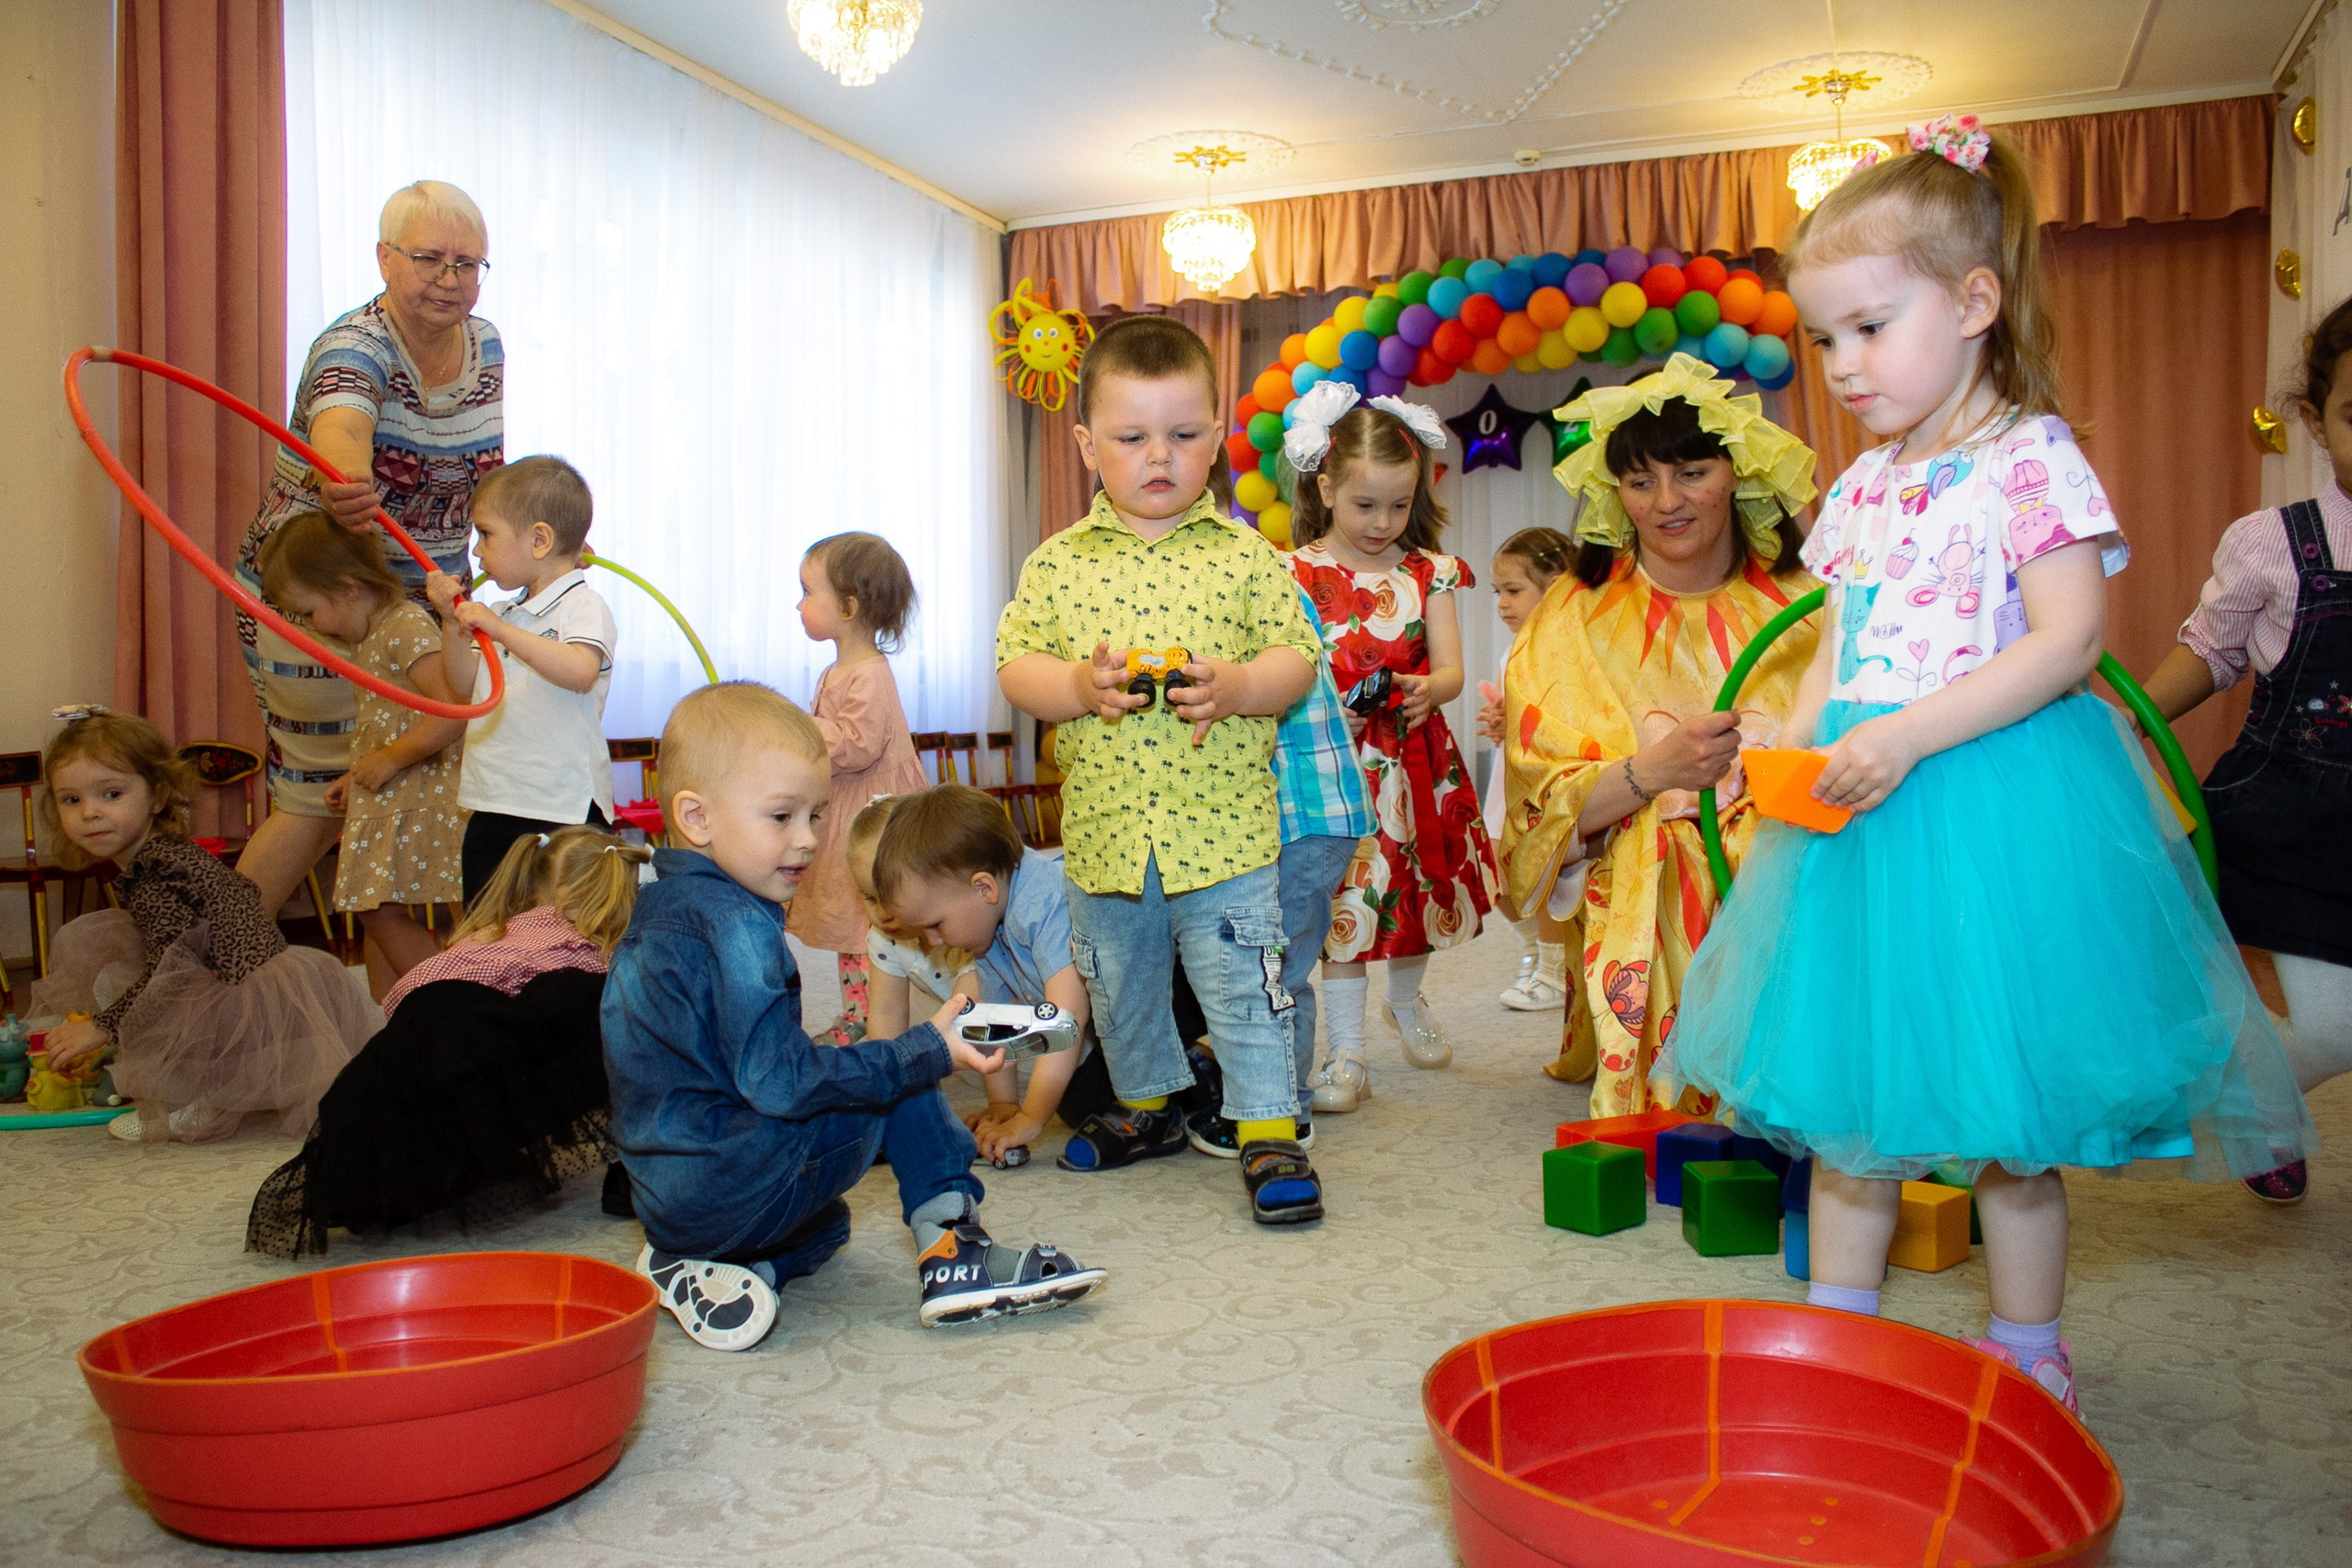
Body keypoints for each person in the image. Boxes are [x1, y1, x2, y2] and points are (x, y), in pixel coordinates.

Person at [1671, 116, 2316, 1410]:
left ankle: (2030, 1349)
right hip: (1862, 824)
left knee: (2013, 1128)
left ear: (1975, 302)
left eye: (1870, 326)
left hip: (1998, 806)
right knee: (1851, 1109)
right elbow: (1835, 646)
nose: (1843, 365)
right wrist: (1789, 734)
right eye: (1825, 337)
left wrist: (1907, 730)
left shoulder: (2030, 459)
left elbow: (2073, 641)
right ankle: (1839, 1342)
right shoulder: (1859, 489)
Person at [603, 682, 1105, 1350]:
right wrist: (927, 1049)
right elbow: (782, 1084)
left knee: (831, 1224)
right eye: (782, 817)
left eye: (815, 815)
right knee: (900, 1077)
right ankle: (958, 1255)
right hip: (730, 1183)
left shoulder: (658, 910)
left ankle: (723, 1266)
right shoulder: (735, 927)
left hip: (670, 1202)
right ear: (696, 817)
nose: (809, 840)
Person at [995, 314, 1326, 1226]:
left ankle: (1266, 1124)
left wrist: (1241, 685)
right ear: (1085, 445)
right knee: (1121, 982)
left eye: (1182, 436)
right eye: (1132, 437)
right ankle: (1146, 1108)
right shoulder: (1056, 565)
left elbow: (1298, 658)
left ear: (1214, 438)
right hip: (1105, 838)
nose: (1159, 458)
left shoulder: (1245, 557)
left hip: (1222, 831)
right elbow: (1015, 666)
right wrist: (1071, 684)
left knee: (1242, 979)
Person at [1501, 358, 1821, 1110]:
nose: (1667, 501)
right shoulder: (1573, 616)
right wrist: (1654, 772)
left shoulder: (1812, 605)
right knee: (1669, 849)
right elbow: (1542, 802)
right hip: (1643, 871)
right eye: (1641, 481)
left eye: (1691, 472)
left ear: (1737, 474)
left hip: (1799, 858)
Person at [233, 180, 503, 921]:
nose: (451, 281)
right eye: (430, 260)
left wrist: (538, 531)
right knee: (319, 798)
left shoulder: (486, 344)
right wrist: (344, 473)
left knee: (418, 789)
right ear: (384, 259)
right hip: (326, 598)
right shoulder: (354, 345)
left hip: (425, 604)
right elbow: (342, 426)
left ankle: (407, 1014)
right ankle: (192, 981)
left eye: (468, 263)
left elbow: (482, 466)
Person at [2137, 293, 2352, 1206]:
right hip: (2287, 822)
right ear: (2315, 419)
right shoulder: (2274, 542)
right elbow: (2210, 651)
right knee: (2319, 1027)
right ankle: (2260, 1114)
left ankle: (2263, 1109)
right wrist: (2126, 723)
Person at [245, 826, 648, 1258]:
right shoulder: (589, 949)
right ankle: (632, 1167)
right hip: (463, 1075)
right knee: (613, 1006)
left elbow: (405, 995)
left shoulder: (481, 937)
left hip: (372, 1096)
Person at [1281, 381, 1497, 1109]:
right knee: (1347, 907)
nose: (1382, 522)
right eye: (1364, 505)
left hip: (1414, 766)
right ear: (1326, 487)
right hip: (1332, 770)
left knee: (1413, 897)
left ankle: (1406, 1001)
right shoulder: (1296, 573)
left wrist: (1430, 688)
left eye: (1399, 506)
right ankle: (1347, 1054)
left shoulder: (1426, 571)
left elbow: (1452, 669)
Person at [30, 708, 373, 1144]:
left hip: (237, 997)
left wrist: (102, 1026)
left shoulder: (158, 875)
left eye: (111, 794)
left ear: (156, 797)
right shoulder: (165, 854)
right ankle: (197, 1086)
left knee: (119, 980)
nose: (90, 813)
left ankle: (191, 1101)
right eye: (71, 800)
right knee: (117, 956)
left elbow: (169, 979)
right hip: (242, 979)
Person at [257, 513, 466, 986]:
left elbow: (453, 709)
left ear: (348, 588)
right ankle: (390, 1019)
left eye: (308, 612)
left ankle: (441, 1001)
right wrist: (360, 777)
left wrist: (391, 761)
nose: (309, 627)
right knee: (373, 907)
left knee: (385, 910)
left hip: (429, 799)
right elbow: (389, 727)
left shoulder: (403, 625)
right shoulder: (373, 638)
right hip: (396, 797)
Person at [1203, 582, 1375, 1128]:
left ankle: (1286, 1109)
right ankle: (1265, 1092)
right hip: (1295, 819)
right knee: (1264, 963)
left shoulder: (1254, 587)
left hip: (1306, 819)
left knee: (1274, 969)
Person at [425, 456, 617, 903]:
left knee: (565, 939)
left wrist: (498, 630)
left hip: (562, 807)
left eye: (486, 534)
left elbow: (580, 671)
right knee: (486, 931)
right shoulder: (504, 614)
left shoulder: (583, 608)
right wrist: (451, 624)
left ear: (539, 540)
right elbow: (464, 683)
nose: (476, 551)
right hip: (494, 801)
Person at [875, 784, 1094, 1165]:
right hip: (1106, 1034)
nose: (933, 941)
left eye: (936, 925)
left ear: (984, 888)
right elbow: (997, 1025)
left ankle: (1195, 1071)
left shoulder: (1044, 902)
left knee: (1113, 1086)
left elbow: (1064, 1021)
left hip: (1163, 1000)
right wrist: (1004, 1104)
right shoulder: (987, 927)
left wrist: (1030, 1119)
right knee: (1079, 1103)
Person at [788, 533, 930, 1043]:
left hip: (869, 814)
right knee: (852, 925)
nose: (799, 605)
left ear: (847, 607)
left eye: (808, 592)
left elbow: (858, 746)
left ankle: (875, 1019)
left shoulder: (869, 672)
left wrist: (807, 729)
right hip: (844, 808)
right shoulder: (835, 670)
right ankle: (857, 1014)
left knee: (864, 920)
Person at [1478, 527, 1575, 1019]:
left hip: (1546, 782)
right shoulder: (1511, 651)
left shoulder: (1571, 650)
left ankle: (1556, 971)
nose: (1502, 604)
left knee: (1548, 873)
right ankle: (1536, 946)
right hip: (1508, 779)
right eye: (1498, 592)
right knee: (1493, 872)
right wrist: (1502, 723)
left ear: (1557, 586)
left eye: (1513, 591)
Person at [842, 794, 972, 1041]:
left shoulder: (964, 928)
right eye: (870, 899)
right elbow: (887, 1014)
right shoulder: (884, 936)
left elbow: (967, 1017)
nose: (882, 915)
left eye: (890, 899)